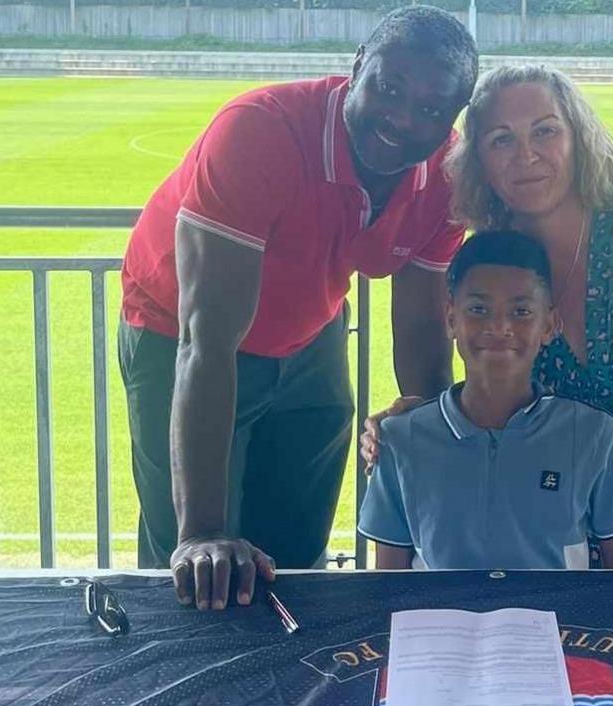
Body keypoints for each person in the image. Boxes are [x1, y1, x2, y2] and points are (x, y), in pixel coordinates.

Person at [118, 6, 478, 609]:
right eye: (388, 88)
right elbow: (206, 339)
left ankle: (287, 698)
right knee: (196, 572)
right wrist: (203, 531)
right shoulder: (260, 130)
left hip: (311, 331)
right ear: (357, 67)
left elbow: (420, 324)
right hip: (178, 330)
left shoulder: (448, 173)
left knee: (294, 564)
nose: (400, 118)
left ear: (452, 117)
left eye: (430, 109)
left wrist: (427, 421)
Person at [364, 65, 613, 569]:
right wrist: (416, 419)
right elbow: (491, 369)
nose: (526, 155)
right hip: (576, 481)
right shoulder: (496, 254)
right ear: (479, 162)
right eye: (501, 140)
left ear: (579, 135)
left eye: (545, 131)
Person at [359, 231, 613, 570]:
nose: (499, 326)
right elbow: (387, 583)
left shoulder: (594, 436)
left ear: (550, 324)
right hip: (440, 623)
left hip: (558, 622)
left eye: (521, 311)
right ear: (451, 318)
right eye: (479, 309)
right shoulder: (400, 439)